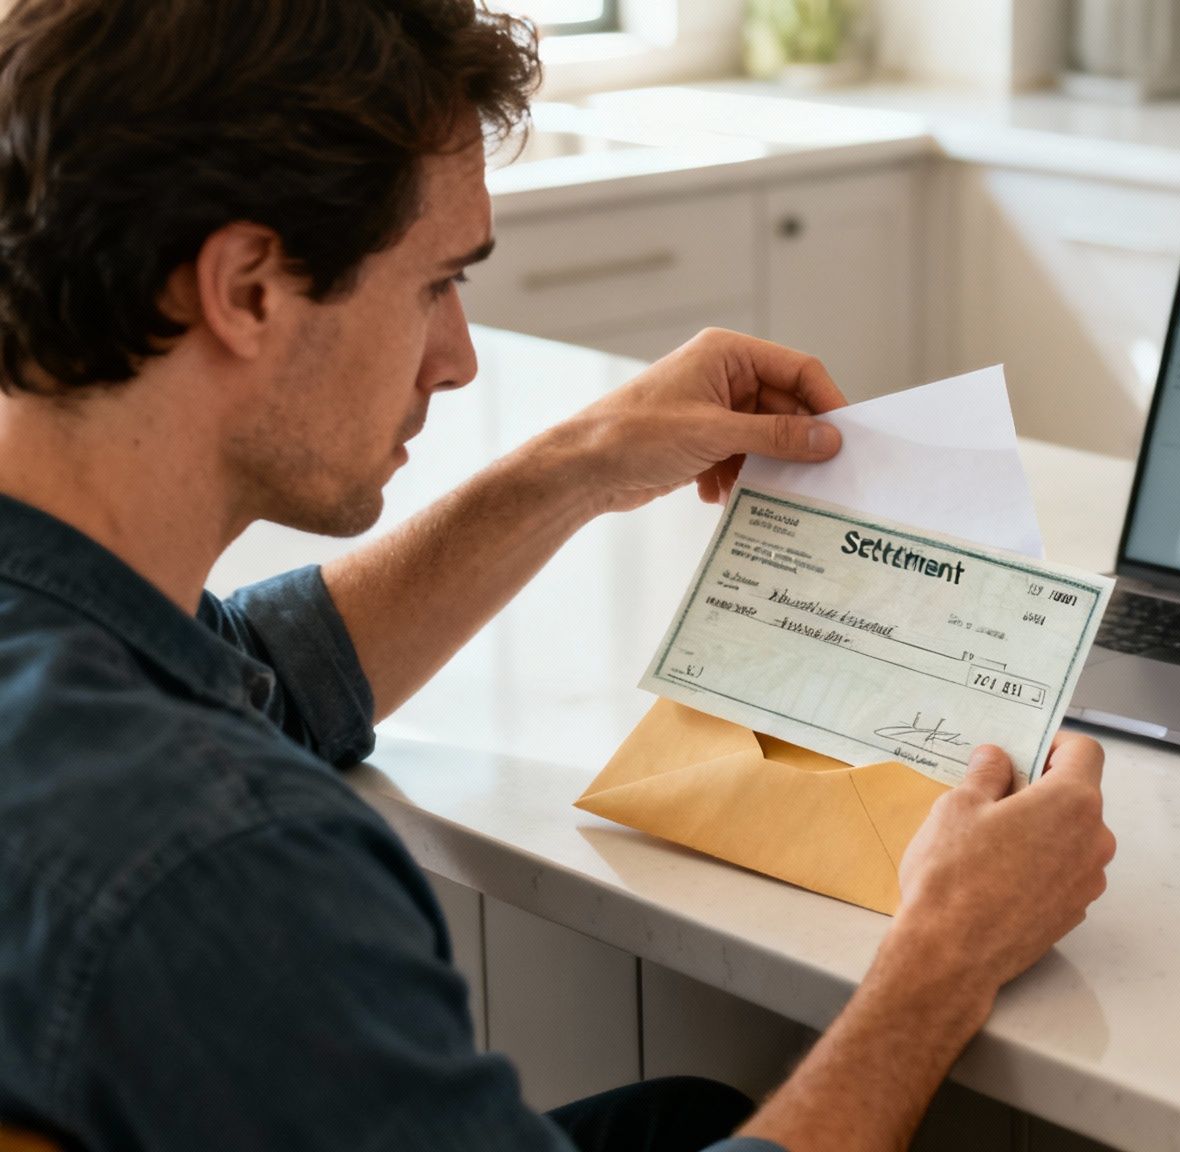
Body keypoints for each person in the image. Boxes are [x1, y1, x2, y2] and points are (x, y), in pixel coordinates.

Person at [0, 2, 1117, 1150]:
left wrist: (581, 466)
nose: (458, 355)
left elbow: (254, 682)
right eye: (435, 283)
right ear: (244, 290)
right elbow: (216, 783)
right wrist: (944, 958)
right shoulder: (227, 861)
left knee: (685, 1115)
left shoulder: (71, 644)